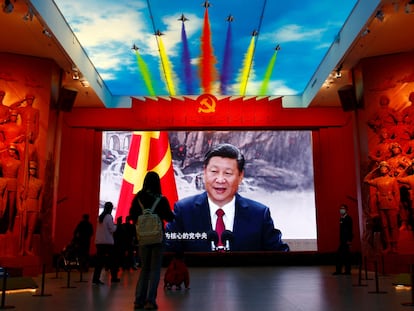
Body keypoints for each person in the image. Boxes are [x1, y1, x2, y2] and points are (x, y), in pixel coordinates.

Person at [165, 143, 289, 252]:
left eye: (228, 173)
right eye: (214, 171)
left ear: (241, 176)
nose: (220, 180)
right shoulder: (184, 211)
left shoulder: (259, 214)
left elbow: (280, 257)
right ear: (204, 172)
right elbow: (166, 254)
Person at [129, 171, 174, 310]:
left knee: (144, 270)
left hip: (143, 238)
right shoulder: (161, 199)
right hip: (157, 238)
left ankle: (138, 301)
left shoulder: (138, 198)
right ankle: (150, 301)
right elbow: (170, 217)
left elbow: (132, 215)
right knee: (155, 270)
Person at [364, 161, 400, 254]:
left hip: (391, 203)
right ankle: (388, 245)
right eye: (381, 168)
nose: (382, 169)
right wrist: (375, 169)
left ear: (388, 169)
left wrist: (397, 206)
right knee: (384, 226)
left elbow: (397, 195)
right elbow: (366, 180)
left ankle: (394, 245)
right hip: (381, 204)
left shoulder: (392, 180)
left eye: (384, 167)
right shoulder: (378, 180)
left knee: (393, 226)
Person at [19, 160, 43, 256]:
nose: (31, 170)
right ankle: (22, 248)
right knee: (23, 227)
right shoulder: (24, 181)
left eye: (33, 169)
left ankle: (28, 248)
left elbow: (40, 198)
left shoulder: (40, 182)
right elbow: (19, 194)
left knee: (31, 229)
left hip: (35, 205)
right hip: (26, 204)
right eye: (30, 168)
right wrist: (20, 206)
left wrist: (39, 209)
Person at [92, 201, 119, 285]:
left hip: (99, 242)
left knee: (99, 262)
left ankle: (95, 279)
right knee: (113, 261)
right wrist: (116, 226)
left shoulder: (100, 217)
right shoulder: (108, 217)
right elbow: (112, 229)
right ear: (110, 208)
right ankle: (114, 278)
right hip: (107, 242)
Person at [332, 204, 353, 275]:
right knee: (340, 256)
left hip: (346, 241)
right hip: (342, 241)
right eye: (340, 208)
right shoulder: (341, 218)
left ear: (346, 210)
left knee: (345, 256)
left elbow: (350, 230)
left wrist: (349, 241)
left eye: (343, 208)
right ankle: (340, 271)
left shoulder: (348, 218)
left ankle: (346, 271)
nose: (341, 210)